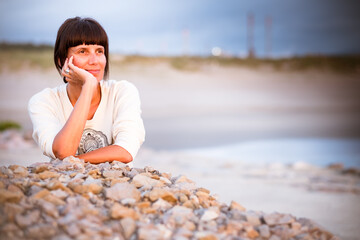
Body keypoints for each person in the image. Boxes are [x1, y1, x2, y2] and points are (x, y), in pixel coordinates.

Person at [28, 17, 145, 165]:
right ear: (61, 60)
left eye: (99, 51)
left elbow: (126, 151)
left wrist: (72, 162)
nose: (94, 60)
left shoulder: (122, 92)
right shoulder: (44, 101)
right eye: (82, 51)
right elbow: (63, 151)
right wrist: (88, 87)